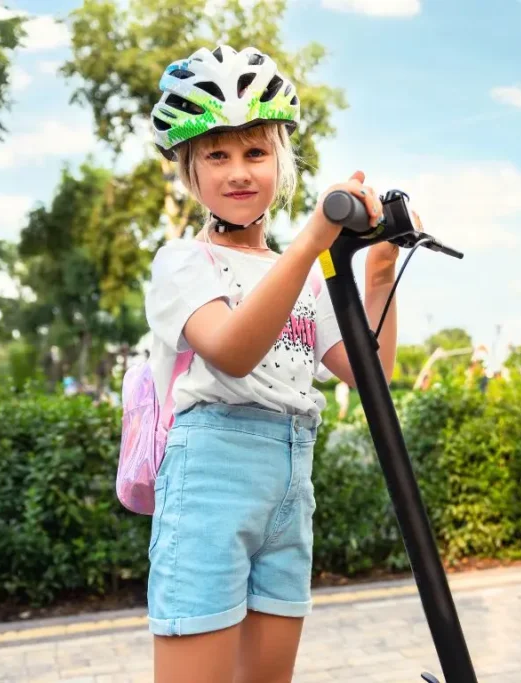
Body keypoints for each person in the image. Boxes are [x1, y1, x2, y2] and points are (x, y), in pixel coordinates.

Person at [142, 45, 407, 683]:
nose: (239, 172)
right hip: (211, 477)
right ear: (189, 171)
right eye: (218, 154)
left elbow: (372, 378)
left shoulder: (304, 276)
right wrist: (316, 241)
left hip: (292, 478)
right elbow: (232, 350)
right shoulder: (182, 263)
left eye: (256, 152)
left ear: (280, 159)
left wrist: (378, 274)